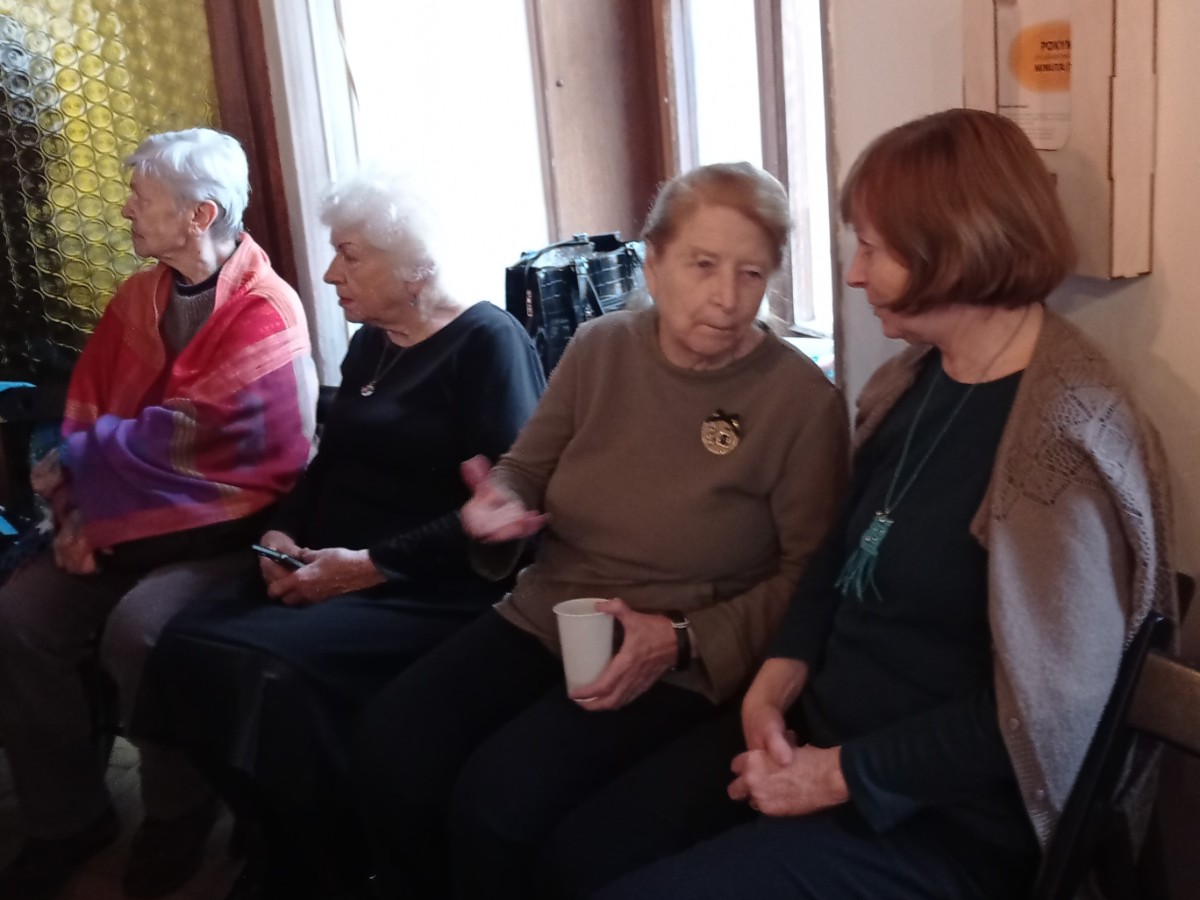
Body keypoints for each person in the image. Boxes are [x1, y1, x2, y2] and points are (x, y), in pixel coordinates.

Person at [594, 108, 1177, 900]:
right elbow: (842, 551)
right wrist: (777, 677)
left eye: (873, 247)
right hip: (829, 741)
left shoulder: (1061, 439)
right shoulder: (914, 378)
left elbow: (1048, 709)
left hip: (948, 823)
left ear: (954, 249)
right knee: (582, 848)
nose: (855, 275)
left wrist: (835, 776)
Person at [354, 161, 850, 899]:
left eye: (750, 273)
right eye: (703, 265)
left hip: (676, 650)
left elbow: (809, 579)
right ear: (653, 264)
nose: (726, 297)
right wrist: (500, 504)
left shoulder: (800, 402)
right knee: (390, 743)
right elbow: (526, 467)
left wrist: (683, 636)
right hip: (552, 612)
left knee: (498, 804)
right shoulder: (600, 347)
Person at [133, 167, 547, 898]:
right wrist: (283, 533)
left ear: (416, 268)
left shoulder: (488, 343)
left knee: (273, 675)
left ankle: (331, 866)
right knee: (185, 648)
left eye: (350, 255)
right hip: (329, 565)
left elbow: (507, 514)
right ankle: (279, 835)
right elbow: (330, 462)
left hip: (429, 584)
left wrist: (370, 565)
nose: (329, 274)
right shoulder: (371, 344)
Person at [0, 128, 317, 900]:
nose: (124, 210)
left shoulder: (266, 310)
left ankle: (179, 811)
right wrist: (78, 504)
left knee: (140, 630)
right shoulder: (137, 299)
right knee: (20, 614)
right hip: (119, 522)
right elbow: (94, 411)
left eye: (140, 198)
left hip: (232, 530)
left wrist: (85, 468)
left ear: (199, 214)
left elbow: (218, 447)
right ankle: (67, 818)